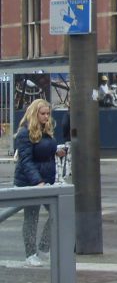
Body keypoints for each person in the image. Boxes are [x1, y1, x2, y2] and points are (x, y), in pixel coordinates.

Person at [13, 99, 59, 267]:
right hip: (30, 181)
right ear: (34, 114)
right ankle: (30, 254)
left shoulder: (46, 130)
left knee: (58, 212)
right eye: (43, 113)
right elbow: (26, 161)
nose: (46, 117)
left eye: (48, 113)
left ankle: (44, 248)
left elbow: (45, 152)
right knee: (31, 217)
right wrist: (37, 181)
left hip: (45, 181)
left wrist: (57, 151)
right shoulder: (25, 133)